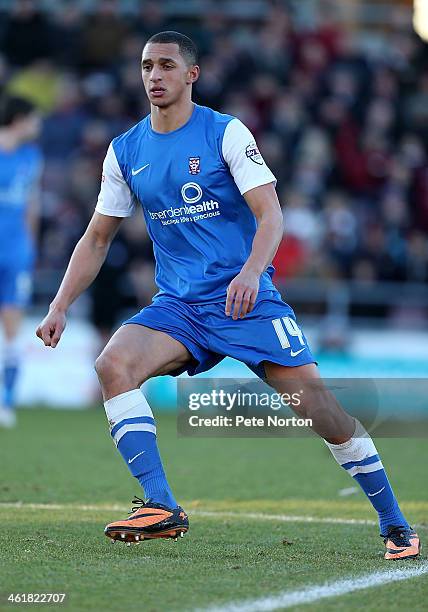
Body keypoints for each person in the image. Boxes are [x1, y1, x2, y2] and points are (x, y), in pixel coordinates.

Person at [36, 31, 419, 559]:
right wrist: (59, 305)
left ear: (191, 74)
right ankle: (161, 504)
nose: (154, 76)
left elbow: (271, 215)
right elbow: (97, 237)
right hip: (180, 306)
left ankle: (395, 521)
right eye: (147, 66)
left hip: (247, 300)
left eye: (166, 65)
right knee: (112, 366)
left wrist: (251, 273)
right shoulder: (125, 150)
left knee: (323, 414)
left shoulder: (225, 133)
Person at [0, 95, 42, 428]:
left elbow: (31, 205)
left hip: (16, 253)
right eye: (34, 118)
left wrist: (30, 246)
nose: (38, 125)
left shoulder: (32, 157)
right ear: (19, 118)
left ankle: (7, 402)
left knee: (13, 327)